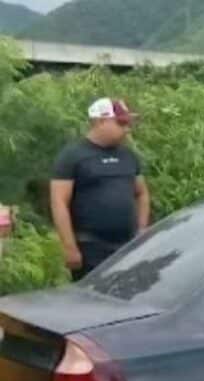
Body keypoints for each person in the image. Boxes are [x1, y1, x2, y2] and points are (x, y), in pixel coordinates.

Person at [51, 98, 150, 280]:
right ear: (100, 121)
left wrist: (142, 230)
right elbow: (59, 202)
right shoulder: (73, 156)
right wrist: (69, 246)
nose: (127, 129)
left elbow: (142, 193)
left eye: (128, 123)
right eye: (121, 123)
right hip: (91, 246)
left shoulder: (128, 156)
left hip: (127, 245)